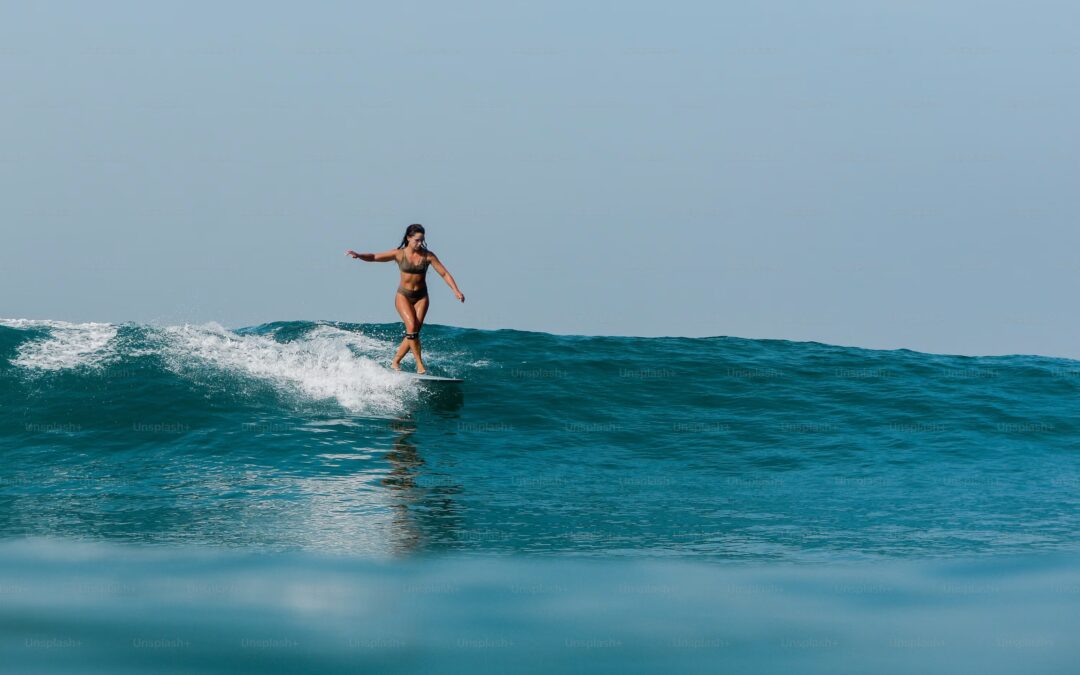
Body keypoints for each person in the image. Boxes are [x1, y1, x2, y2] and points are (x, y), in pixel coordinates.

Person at [346, 224, 465, 373]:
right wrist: (359, 255)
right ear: (408, 238)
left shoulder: (428, 256)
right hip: (404, 296)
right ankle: (420, 365)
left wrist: (456, 290)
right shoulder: (399, 254)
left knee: (414, 331)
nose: (420, 243)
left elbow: (444, 274)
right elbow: (375, 256)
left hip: (422, 297)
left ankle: (395, 362)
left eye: (422, 240)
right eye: (417, 240)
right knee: (412, 329)